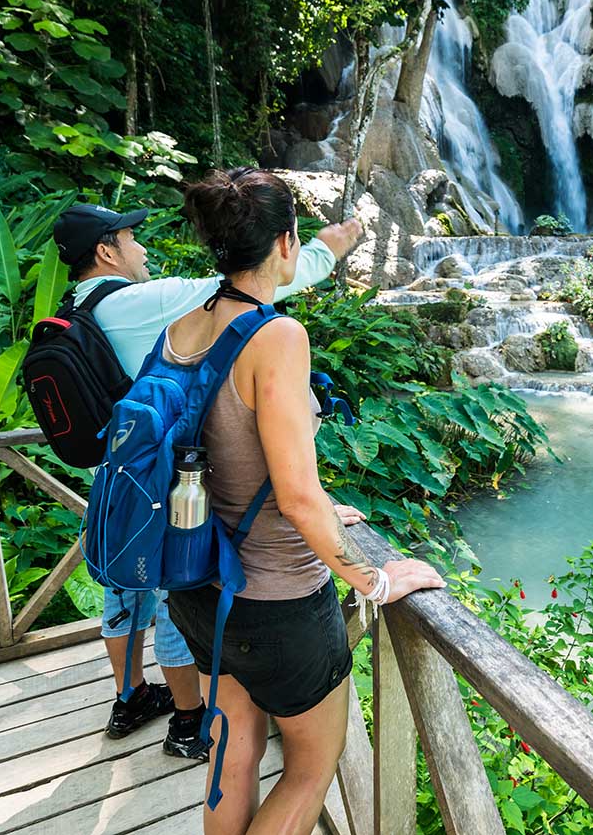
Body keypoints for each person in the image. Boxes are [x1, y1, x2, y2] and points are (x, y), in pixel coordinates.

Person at [162, 167, 445, 835]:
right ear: (287, 243)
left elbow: (217, 451)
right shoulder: (276, 337)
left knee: (231, 752)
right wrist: (374, 579)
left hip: (200, 588)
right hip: (277, 601)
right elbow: (295, 495)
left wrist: (322, 507)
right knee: (312, 768)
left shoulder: (183, 326)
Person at [52, 186, 364, 760]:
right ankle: (183, 718)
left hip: (135, 493)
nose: (138, 245)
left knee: (129, 604)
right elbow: (254, 291)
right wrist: (376, 578)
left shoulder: (99, 314)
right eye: (127, 237)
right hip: (228, 545)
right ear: (104, 253)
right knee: (306, 770)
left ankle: (131, 697)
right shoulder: (155, 305)